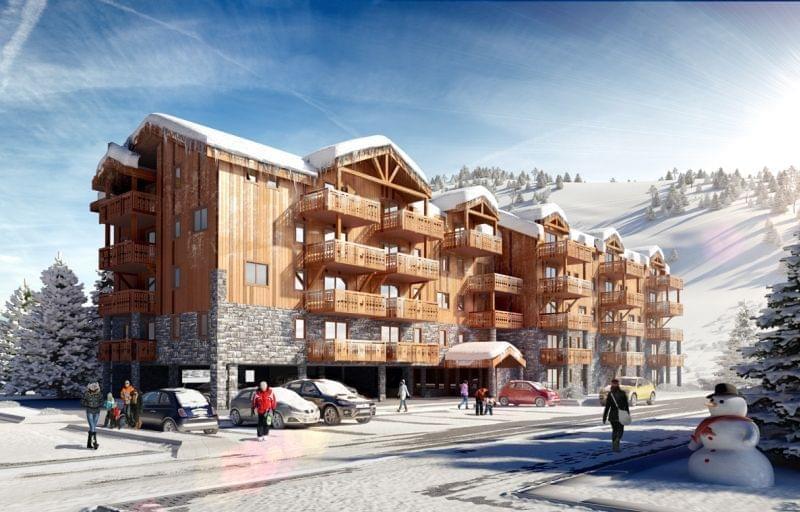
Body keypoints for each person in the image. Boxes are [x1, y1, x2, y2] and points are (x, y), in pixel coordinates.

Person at [603, 378, 630, 452]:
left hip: (612, 415)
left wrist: (604, 417)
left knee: (614, 430)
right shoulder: (622, 393)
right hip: (621, 414)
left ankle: (614, 446)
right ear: (618, 385)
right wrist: (627, 414)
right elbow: (626, 405)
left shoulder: (610, 394)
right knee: (621, 429)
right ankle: (617, 440)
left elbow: (607, 406)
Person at [80, 382, 103, 450]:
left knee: (93, 427)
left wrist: (99, 404)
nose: (93, 389)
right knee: (92, 427)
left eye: (95, 388)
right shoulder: (86, 394)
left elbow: (102, 401)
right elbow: (82, 402)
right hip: (89, 411)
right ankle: (95, 442)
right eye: (92, 388)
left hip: (97, 412)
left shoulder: (99, 394)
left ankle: (89, 444)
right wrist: (88, 404)